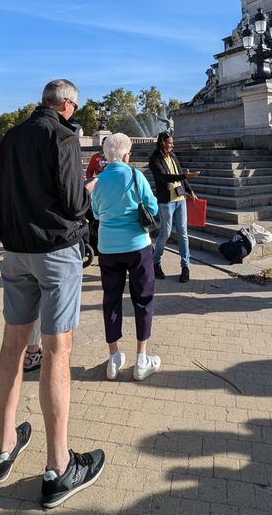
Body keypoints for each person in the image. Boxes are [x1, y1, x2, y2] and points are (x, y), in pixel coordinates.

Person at [0, 79, 105, 509]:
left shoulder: (12, 134)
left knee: (12, 345)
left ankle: (4, 448)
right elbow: (74, 202)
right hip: (54, 251)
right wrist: (89, 192)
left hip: (16, 250)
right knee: (58, 352)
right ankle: (58, 467)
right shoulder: (63, 135)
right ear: (68, 105)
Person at [91, 133, 160, 382]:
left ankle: (113, 356)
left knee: (111, 300)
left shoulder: (97, 180)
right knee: (143, 299)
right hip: (137, 245)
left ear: (106, 155)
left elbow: (97, 213)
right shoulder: (135, 175)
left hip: (108, 248)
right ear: (127, 155)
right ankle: (142, 358)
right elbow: (152, 208)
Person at [148, 132, 199, 283]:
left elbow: (179, 174)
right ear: (162, 142)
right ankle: (155, 263)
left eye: (172, 142)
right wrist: (184, 176)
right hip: (166, 202)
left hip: (180, 199)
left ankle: (185, 267)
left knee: (183, 233)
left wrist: (189, 190)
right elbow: (164, 177)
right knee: (165, 233)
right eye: (170, 142)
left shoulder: (173, 156)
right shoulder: (154, 159)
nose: (172, 145)